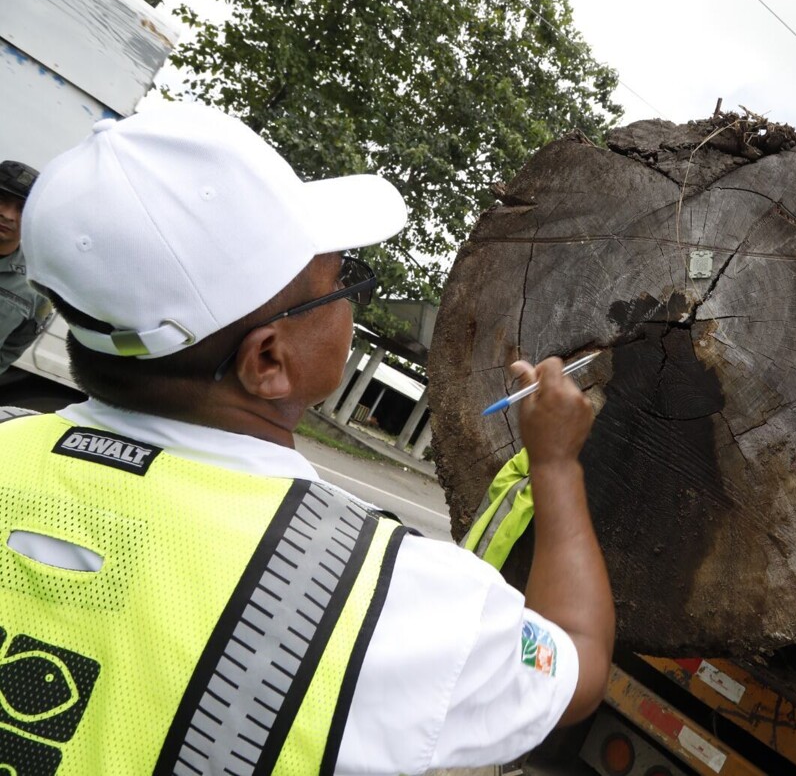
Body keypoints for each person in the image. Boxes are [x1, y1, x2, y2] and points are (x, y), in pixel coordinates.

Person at [0, 104, 614, 774]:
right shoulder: (381, 597)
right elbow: (575, 663)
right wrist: (554, 465)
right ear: (268, 360)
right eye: (342, 278)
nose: (350, 299)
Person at [0, 159, 50, 374]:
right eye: (1, 200)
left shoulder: (35, 288)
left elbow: (11, 349)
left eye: (22, 208)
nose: (8, 215)